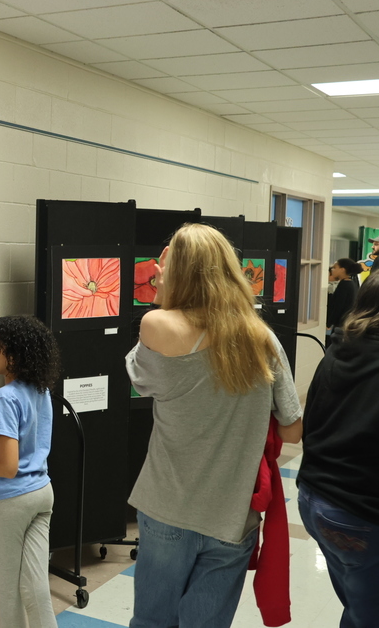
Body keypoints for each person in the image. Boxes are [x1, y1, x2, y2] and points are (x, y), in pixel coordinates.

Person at [125, 223, 302, 628]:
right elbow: (292, 430)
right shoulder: (263, 339)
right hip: (232, 517)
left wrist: (160, 284)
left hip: (169, 509)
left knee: (153, 621)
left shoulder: (157, 325)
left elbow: (141, 379)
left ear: (175, 270)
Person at [298, 269, 379, 628]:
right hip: (362, 513)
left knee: (358, 603)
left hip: (316, 500)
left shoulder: (338, 351)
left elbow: (312, 422)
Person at [0, 315, 62, 628]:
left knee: (9, 592)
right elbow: (22, 450)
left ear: (13, 356)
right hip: (41, 495)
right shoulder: (40, 391)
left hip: (9, 502)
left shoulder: (4, 397)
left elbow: (7, 466)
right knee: (36, 588)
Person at [326, 257, 361, 333]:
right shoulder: (351, 283)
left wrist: (329, 323)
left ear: (342, 269)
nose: (332, 270)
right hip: (346, 323)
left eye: (335, 268)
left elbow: (338, 306)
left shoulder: (345, 285)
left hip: (341, 324)